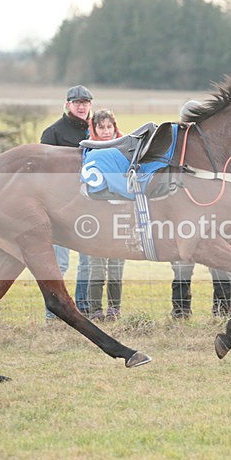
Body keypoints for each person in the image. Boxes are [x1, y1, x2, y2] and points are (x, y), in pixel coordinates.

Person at [169, 100, 231, 319]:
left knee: (218, 263)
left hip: (209, 215)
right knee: (182, 266)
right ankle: (183, 312)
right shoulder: (177, 145)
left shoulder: (213, 146)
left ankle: (221, 311)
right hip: (187, 215)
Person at [39, 85, 94, 319]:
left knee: (88, 262)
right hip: (58, 207)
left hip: (89, 205)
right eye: (77, 102)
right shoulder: (52, 133)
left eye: (85, 102)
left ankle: (83, 308)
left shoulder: (96, 130)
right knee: (59, 263)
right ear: (67, 105)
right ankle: (54, 313)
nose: (81, 106)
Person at [85, 109, 125, 321]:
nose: (106, 131)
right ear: (94, 129)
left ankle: (114, 309)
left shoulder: (125, 149)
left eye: (109, 126)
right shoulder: (88, 150)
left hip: (120, 216)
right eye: (101, 127)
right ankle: (95, 310)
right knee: (97, 267)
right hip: (96, 218)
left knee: (116, 267)